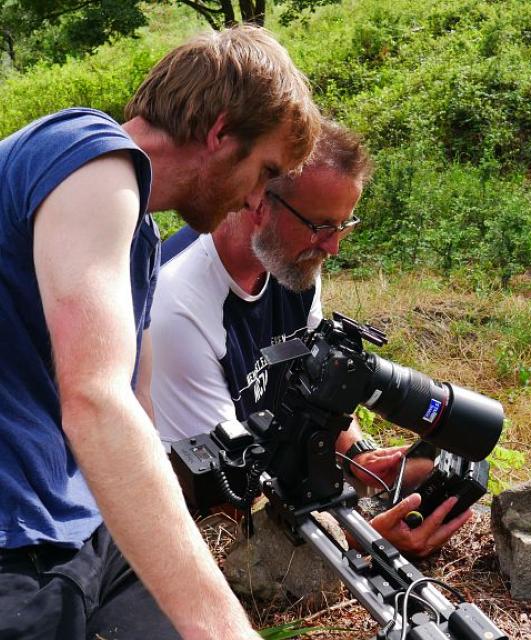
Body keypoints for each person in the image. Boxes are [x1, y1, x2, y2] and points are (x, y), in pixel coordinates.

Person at [0, 25, 320, 640]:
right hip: (14, 542)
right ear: (221, 131)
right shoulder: (90, 156)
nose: (258, 200)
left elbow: (138, 415)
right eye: (264, 172)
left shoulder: (142, 239)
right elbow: (96, 401)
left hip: (81, 527)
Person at [150, 119, 472, 559]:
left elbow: (317, 387)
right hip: (186, 504)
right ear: (258, 199)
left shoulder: (290, 265)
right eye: (322, 227)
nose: (334, 247)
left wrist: (357, 454)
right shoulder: (176, 307)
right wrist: (361, 542)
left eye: (344, 226)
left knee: (424, 468)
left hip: (266, 464)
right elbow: (223, 501)